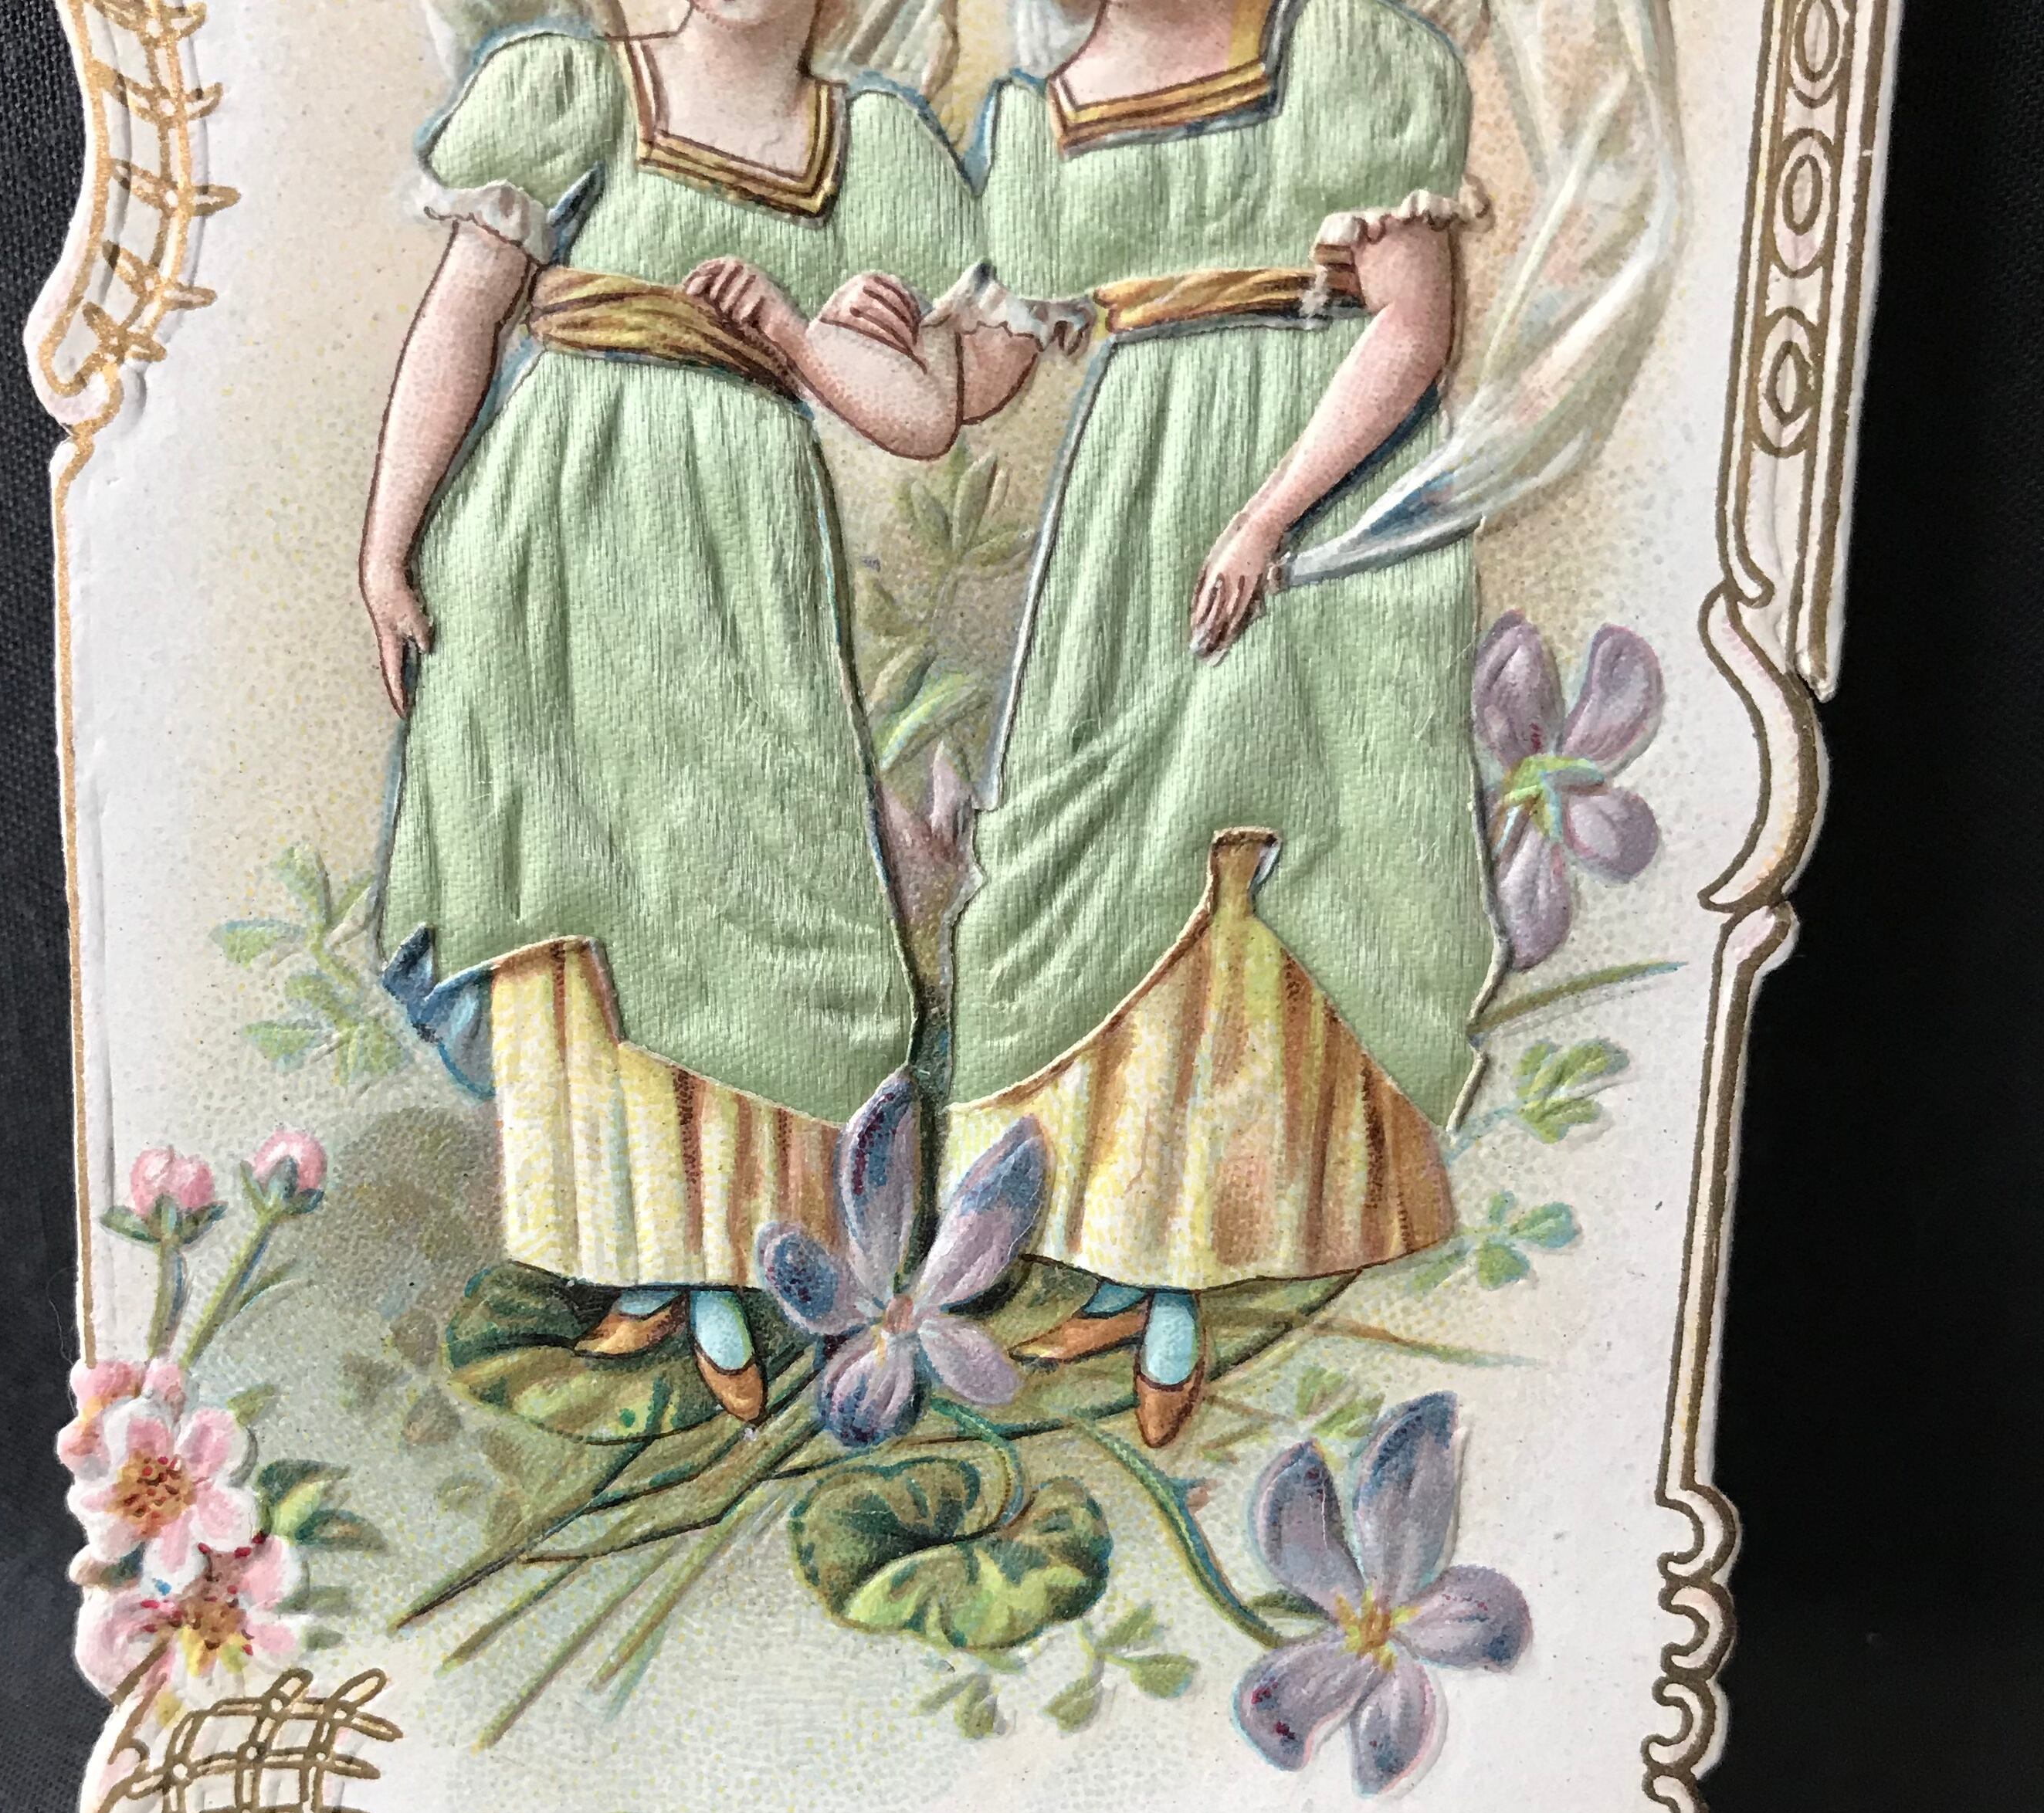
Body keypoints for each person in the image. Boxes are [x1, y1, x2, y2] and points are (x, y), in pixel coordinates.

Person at [361, 2, 975, 1423]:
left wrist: (807, 337)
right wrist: (387, 546)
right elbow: (463, 314)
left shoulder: (874, 147)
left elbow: (927, 410)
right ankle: (640, 1261)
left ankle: (750, 1253)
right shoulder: (573, 91)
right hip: (550, 540)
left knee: (743, 877)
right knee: (588, 886)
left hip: (742, 552)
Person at [941, 0, 1499, 1446]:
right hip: (1127, 512)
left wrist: (1264, 521)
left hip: (1316, 505)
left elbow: (1414, 327)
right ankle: (1123, 1251)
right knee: (1110, 855)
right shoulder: (1040, 112)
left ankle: (1194, 1270)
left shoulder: (1350, 55)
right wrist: (857, 340)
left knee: (1239, 852)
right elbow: (986, 369)